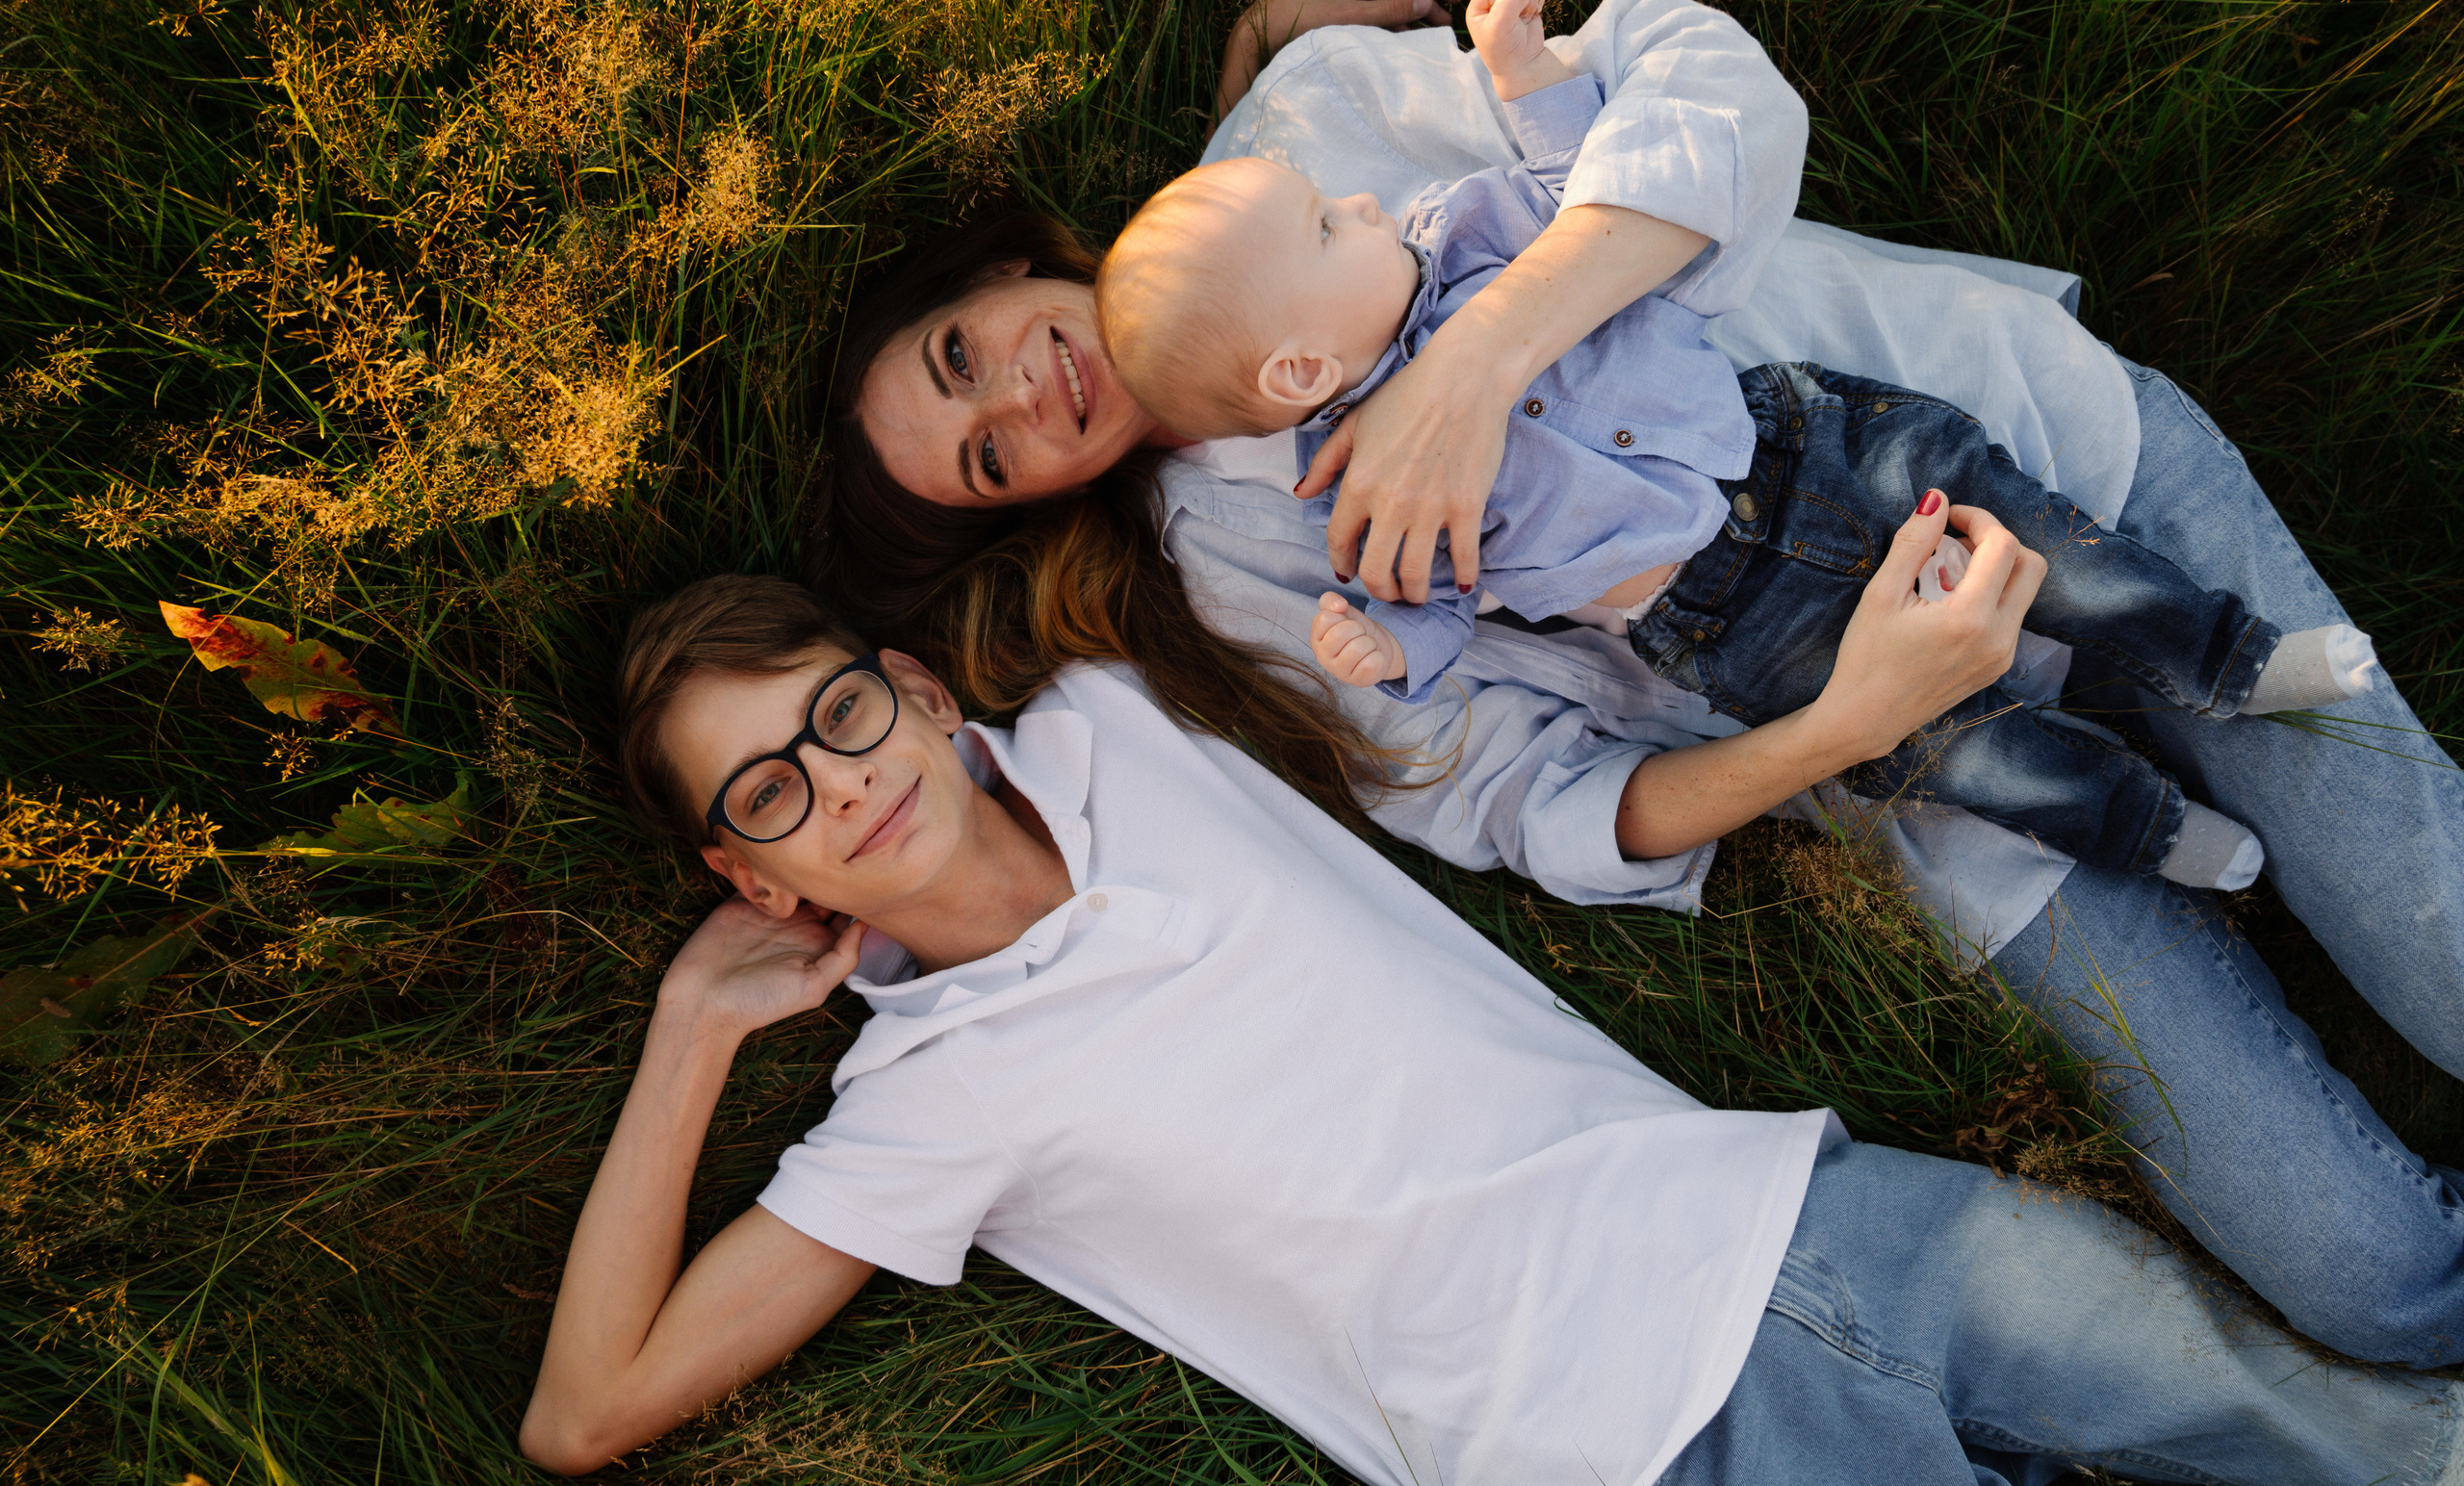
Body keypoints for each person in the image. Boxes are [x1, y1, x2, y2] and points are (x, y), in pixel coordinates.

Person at [811, 0, 2464, 1369]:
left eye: (965, 354)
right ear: (1021, 508)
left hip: (2032, 459)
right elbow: (1524, 805)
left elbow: (1710, 92)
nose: (1020, 399)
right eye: (984, 454)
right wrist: (1842, 731)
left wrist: (1478, 367)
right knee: (2375, 1282)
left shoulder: (1304, 126)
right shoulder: (1236, 581)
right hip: (1906, 754)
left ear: (1006, 270)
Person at [518, 572, 2464, 1483]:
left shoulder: (1119, 715)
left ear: (922, 696)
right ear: (756, 881)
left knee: (2376, 1448)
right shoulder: (918, 1106)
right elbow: (585, 1411)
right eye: (762, 795)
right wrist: (689, 1041)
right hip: (1622, 1452)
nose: (830, 783)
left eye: (832, 716)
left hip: (1798, 1220)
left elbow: (1158, 382)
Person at [1094, 0, 2374, 892]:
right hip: (1724, 623)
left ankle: (2230, 657)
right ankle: (2147, 830)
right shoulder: (1354, 498)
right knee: (1951, 755)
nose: (1361, 203)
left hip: (1801, 446)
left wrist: (1526, 77)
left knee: (2038, 535)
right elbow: (1444, 602)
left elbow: (1576, 177)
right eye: (1326, 227)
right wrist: (1388, 643)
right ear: (1302, 366)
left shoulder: (1469, 235)